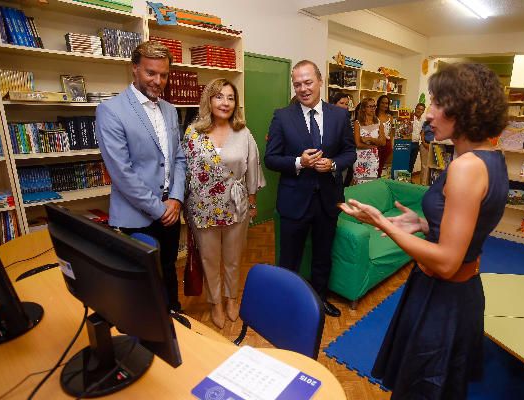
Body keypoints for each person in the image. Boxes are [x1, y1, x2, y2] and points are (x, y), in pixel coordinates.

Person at [340, 63, 509, 399]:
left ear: (465, 108)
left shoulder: (465, 168)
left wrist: (382, 222)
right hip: (455, 295)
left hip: (443, 300)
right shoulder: (491, 158)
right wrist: (423, 224)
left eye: (436, 104)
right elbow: (468, 227)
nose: (428, 115)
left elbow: (447, 261)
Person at [96, 41, 186, 312]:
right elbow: (121, 173)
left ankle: (175, 322)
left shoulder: (170, 110)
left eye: (164, 75)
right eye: (151, 73)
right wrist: (159, 209)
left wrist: (177, 199)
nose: (158, 81)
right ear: (134, 69)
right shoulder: (110, 111)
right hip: (137, 216)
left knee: (168, 270)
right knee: (141, 285)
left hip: (170, 210)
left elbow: (178, 158)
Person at [264, 60, 356, 318]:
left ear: (320, 81)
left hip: (328, 201)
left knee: (322, 257)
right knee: (289, 260)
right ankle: (286, 304)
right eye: (297, 84)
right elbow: (270, 158)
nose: (303, 89)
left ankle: (318, 301)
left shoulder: (340, 115)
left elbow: (350, 152)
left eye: (308, 82)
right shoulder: (282, 116)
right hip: (295, 201)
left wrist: (335, 163)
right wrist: (298, 162)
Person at [182, 78, 265, 328]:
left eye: (230, 98)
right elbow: (183, 170)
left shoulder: (243, 133)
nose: (225, 103)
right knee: (209, 259)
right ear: (209, 99)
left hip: (235, 205)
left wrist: (252, 201)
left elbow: (252, 167)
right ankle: (215, 302)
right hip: (202, 207)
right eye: (219, 96)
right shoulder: (193, 133)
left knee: (232, 258)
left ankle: (231, 298)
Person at [351, 97, 385, 183]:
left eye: (374, 106)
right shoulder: (357, 123)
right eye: (369, 106)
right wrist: (374, 145)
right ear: (363, 108)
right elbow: (358, 144)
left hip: (373, 158)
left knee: (371, 183)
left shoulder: (378, 122)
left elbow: (383, 142)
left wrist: (369, 138)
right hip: (360, 158)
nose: (373, 108)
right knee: (359, 183)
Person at [376, 94, 395, 178]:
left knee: (382, 165)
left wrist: (390, 144)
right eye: (382, 103)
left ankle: (379, 181)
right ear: (379, 103)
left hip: (386, 144)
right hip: (376, 143)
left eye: (386, 103)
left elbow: (390, 132)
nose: (384, 105)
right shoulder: (374, 116)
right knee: (375, 165)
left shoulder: (390, 117)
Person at [409, 103, 426, 174]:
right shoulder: (410, 117)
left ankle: (408, 178)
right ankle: (402, 179)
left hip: (416, 144)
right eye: (418, 108)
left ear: (423, 111)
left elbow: (422, 133)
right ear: (415, 109)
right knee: (405, 162)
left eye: (421, 109)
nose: (419, 111)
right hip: (408, 143)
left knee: (412, 163)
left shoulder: (423, 121)